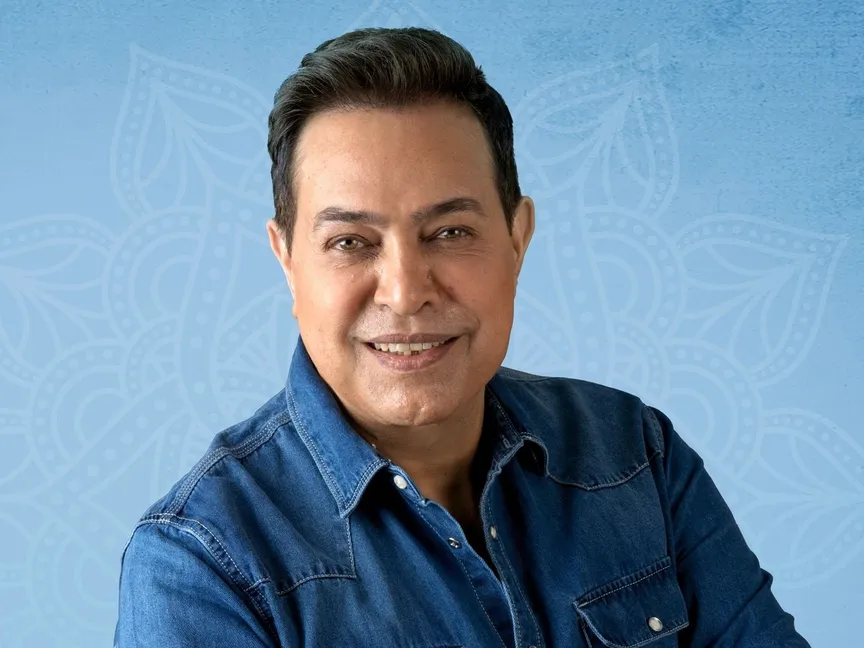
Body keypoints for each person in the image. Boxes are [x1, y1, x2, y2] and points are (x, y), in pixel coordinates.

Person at [113, 27, 811, 648]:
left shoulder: (634, 452)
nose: (405, 291)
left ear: (518, 238)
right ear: (287, 261)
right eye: (350, 241)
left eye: (449, 232)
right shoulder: (203, 562)